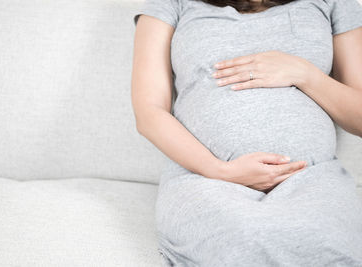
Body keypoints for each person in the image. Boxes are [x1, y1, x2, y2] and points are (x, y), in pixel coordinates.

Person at [131, 0, 362, 265]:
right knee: (244, 240)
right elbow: (148, 112)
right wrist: (220, 170)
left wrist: (306, 74)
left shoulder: (334, 2)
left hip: (313, 177)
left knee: (323, 242)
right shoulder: (172, 3)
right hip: (205, 177)